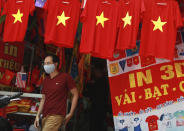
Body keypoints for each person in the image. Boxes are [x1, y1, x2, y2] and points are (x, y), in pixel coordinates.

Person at [34, 54, 79, 131]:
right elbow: (43, 99)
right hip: (45, 116)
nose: (45, 65)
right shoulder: (46, 80)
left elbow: (75, 94)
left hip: (57, 115)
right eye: (44, 63)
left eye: (48, 63)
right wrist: (37, 115)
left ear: (55, 64)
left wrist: (71, 113)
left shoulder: (65, 77)